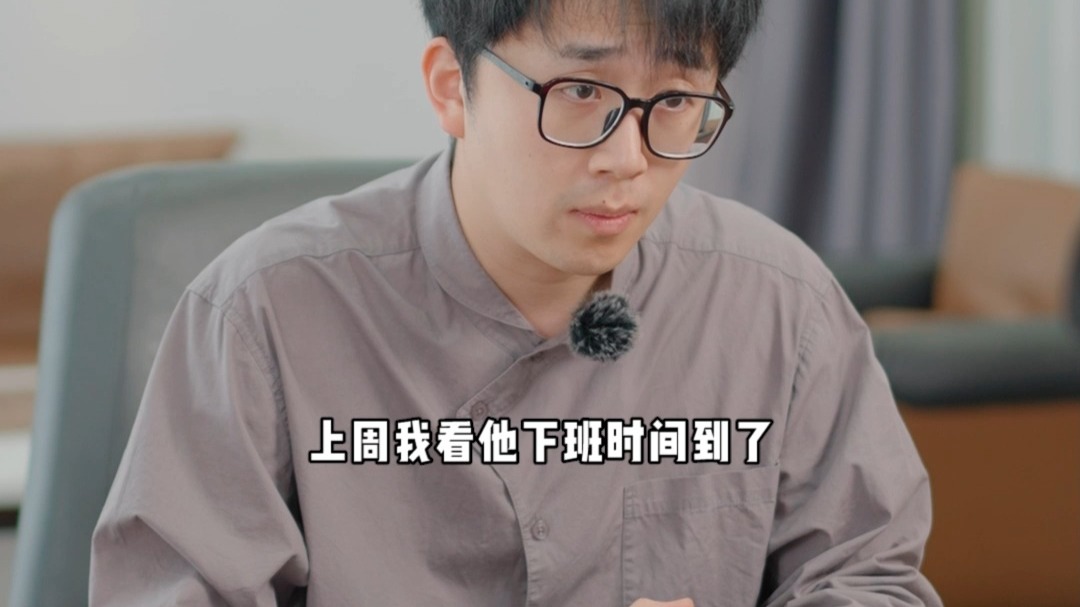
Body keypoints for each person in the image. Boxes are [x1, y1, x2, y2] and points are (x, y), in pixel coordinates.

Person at [89, 1, 942, 605]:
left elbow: (870, 577)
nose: (628, 158)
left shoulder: (781, 306)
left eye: (676, 102)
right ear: (451, 87)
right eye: (581, 93)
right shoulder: (262, 314)